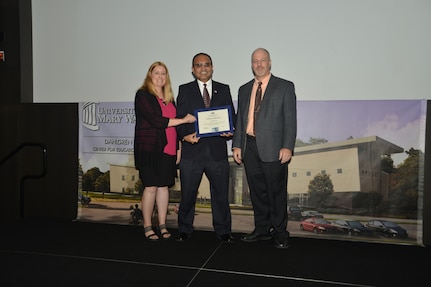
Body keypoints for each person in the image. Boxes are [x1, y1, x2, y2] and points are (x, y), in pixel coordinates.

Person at [232, 48, 297, 249]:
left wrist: (287, 146)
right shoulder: (244, 89)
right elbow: (240, 121)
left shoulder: (285, 86)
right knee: (257, 192)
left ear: (270, 63)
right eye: (255, 61)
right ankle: (261, 229)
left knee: (276, 192)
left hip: (274, 148)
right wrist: (236, 144)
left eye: (263, 60)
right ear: (251, 64)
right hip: (249, 147)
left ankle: (279, 232)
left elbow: (290, 120)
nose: (259, 64)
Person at [175, 52, 236, 243]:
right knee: (187, 194)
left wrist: (230, 130)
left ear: (212, 67)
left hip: (217, 152)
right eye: (199, 65)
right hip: (191, 153)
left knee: (220, 195)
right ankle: (184, 229)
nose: (203, 68)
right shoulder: (184, 90)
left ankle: (223, 231)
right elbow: (180, 118)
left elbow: (231, 116)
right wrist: (185, 136)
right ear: (193, 70)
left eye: (207, 64)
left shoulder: (223, 89)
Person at [134, 61, 196, 241]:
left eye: (163, 73)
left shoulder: (169, 97)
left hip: (169, 148)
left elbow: (173, 127)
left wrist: (178, 147)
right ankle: (147, 225)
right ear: (150, 75)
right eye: (157, 73)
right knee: (151, 188)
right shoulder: (143, 95)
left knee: (164, 188)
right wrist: (184, 120)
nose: (160, 76)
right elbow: (157, 121)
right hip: (150, 150)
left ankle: (162, 224)